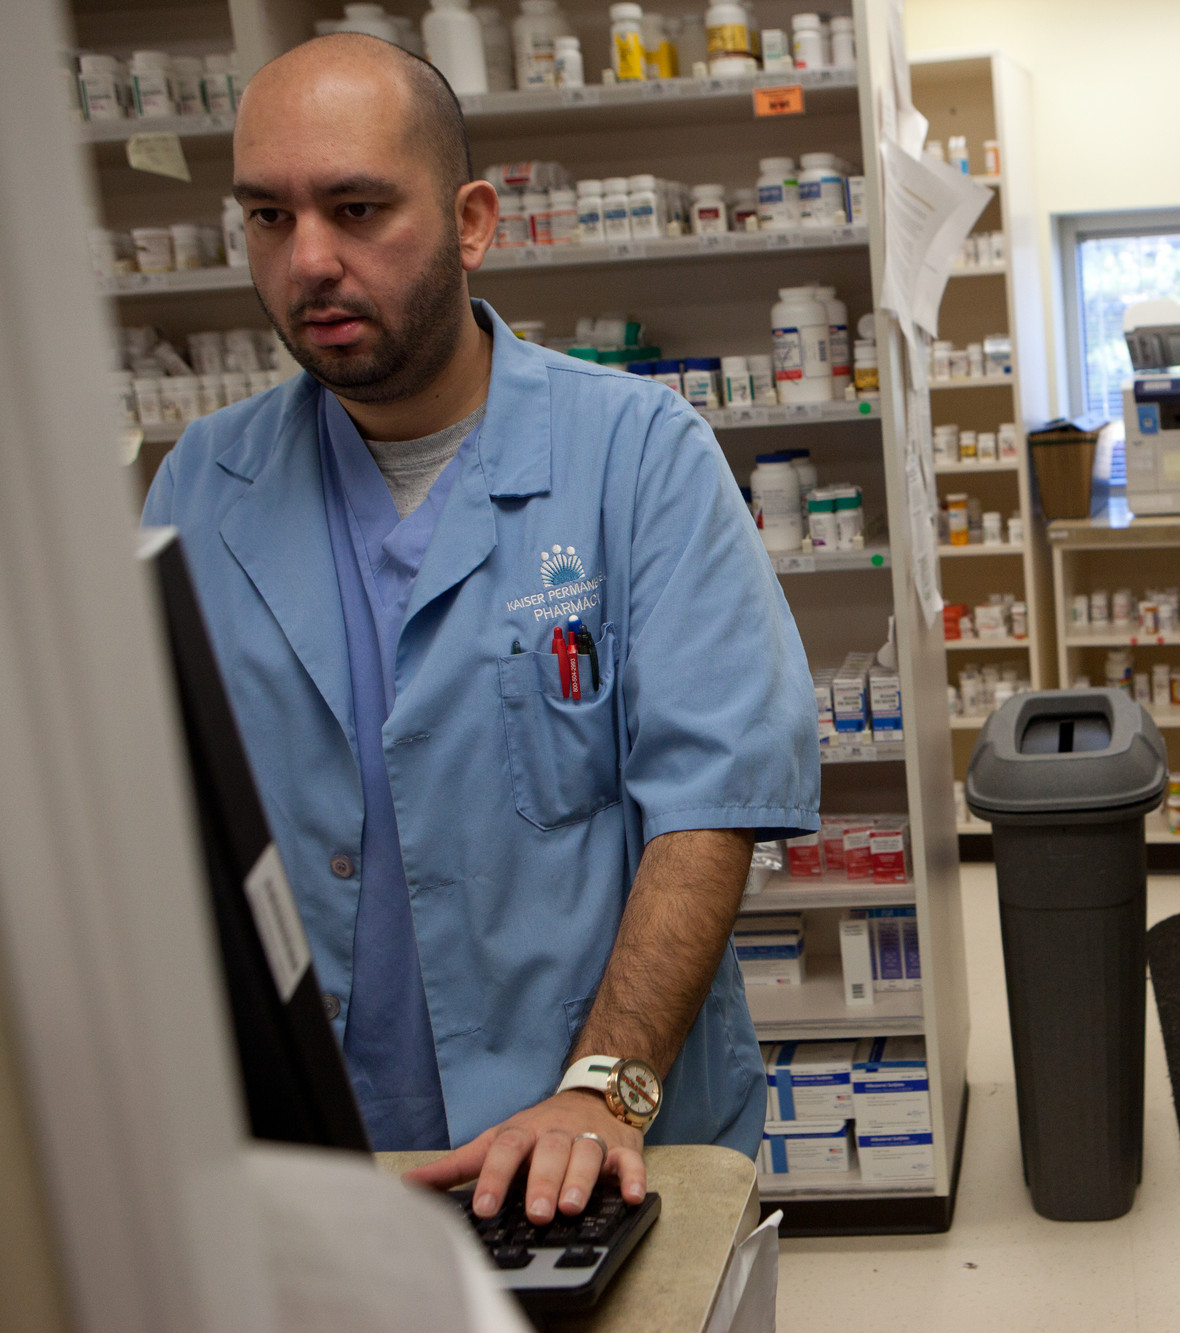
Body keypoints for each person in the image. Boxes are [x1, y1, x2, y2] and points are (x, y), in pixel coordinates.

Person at [142, 34, 819, 1224]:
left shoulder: (636, 455)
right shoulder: (205, 479)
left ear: (470, 221)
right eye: (267, 217)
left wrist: (603, 1088)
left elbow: (708, 804)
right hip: (329, 1157)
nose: (310, 262)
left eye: (357, 209)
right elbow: (159, 816)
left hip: (600, 1144)